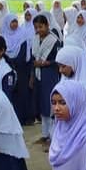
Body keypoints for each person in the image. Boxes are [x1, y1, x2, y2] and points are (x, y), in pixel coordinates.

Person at [31, 15, 61, 149]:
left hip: (50, 74)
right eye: (36, 27)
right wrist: (32, 76)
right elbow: (33, 58)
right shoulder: (35, 39)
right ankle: (44, 134)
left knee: (50, 103)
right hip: (38, 74)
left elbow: (59, 59)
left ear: (47, 25)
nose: (39, 30)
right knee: (42, 103)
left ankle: (53, 136)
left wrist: (46, 63)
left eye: (41, 27)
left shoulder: (54, 41)